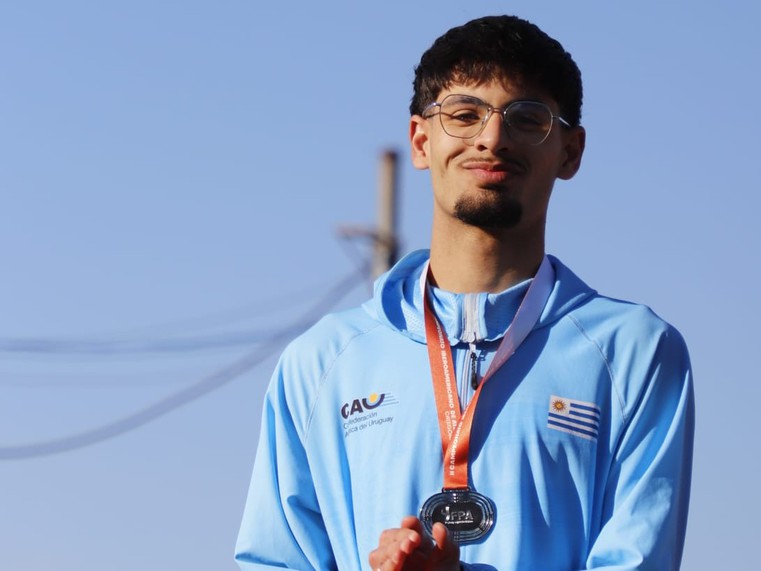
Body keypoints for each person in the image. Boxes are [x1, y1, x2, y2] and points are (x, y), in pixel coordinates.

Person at [235, 15, 694, 571]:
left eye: (527, 118)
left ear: (570, 152)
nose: (492, 138)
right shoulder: (322, 362)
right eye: (463, 114)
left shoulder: (635, 352)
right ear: (421, 140)